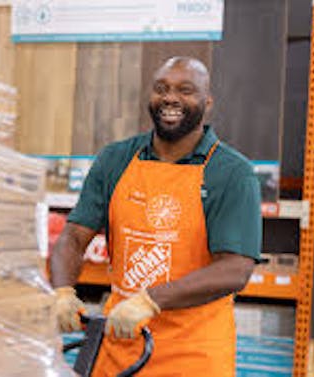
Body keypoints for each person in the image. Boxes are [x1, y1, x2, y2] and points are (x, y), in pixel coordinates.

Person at [50, 56, 261, 376]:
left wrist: (150, 300)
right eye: (161, 88)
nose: (170, 98)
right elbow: (74, 237)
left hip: (194, 356)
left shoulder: (231, 173)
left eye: (185, 90)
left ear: (207, 102)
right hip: (119, 346)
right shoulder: (116, 159)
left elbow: (235, 269)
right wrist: (62, 290)